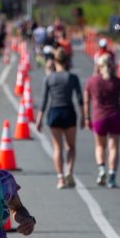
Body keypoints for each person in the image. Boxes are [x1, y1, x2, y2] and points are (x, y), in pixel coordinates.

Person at [85, 53, 120, 188]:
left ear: (98, 66)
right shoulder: (117, 81)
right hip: (115, 116)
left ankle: (101, 169)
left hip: (99, 117)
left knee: (100, 146)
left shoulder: (92, 81)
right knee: (114, 147)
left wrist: (86, 117)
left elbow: (86, 101)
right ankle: (112, 175)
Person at [35, 48, 84, 189]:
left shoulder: (49, 78)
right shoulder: (72, 77)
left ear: (55, 61)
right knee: (71, 147)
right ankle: (70, 170)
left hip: (54, 112)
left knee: (57, 148)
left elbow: (44, 100)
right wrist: (83, 116)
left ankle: (61, 178)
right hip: (69, 112)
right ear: (67, 61)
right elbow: (80, 98)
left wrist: (39, 119)